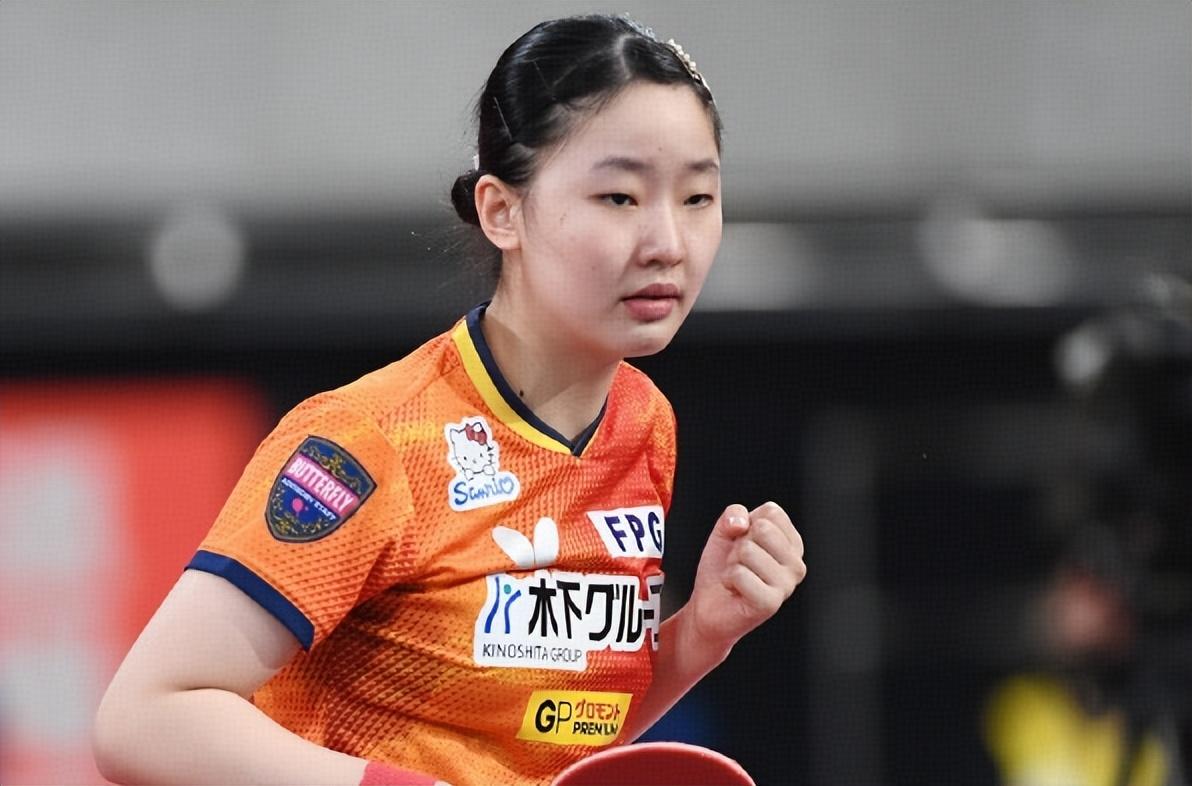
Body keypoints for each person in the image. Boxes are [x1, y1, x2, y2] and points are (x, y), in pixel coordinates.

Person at [92, 14, 806, 786]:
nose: (668, 242)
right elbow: (144, 718)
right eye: (619, 197)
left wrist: (699, 635)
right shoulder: (367, 443)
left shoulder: (643, 425)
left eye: (697, 197)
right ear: (502, 212)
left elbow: (543, 735)